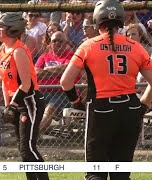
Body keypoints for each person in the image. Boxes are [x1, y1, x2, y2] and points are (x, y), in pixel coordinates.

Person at [60, 0, 152, 179]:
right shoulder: (136, 47)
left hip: (101, 110)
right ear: (120, 21)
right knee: (121, 174)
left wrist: (76, 102)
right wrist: (142, 106)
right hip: (130, 109)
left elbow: (66, 82)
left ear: (97, 20)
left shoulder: (88, 45)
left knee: (96, 173)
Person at [0, 12, 49, 180]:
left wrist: (13, 104)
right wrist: (7, 104)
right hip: (17, 102)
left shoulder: (19, 51)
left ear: (12, 29)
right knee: (22, 148)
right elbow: (4, 80)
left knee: (28, 148)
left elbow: (27, 84)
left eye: (1, 26)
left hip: (29, 101)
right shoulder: (2, 49)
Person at [35, 32, 74, 133]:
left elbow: (68, 69)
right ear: (50, 43)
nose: (57, 43)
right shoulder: (44, 57)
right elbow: (36, 73)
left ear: (66, 43)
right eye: (54, 41)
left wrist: (46, 70)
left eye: (60, 41)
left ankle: (35, 135)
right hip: (42, 91)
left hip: (62, 93)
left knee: (50, 109)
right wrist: (58, 71)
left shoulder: (72, 57)